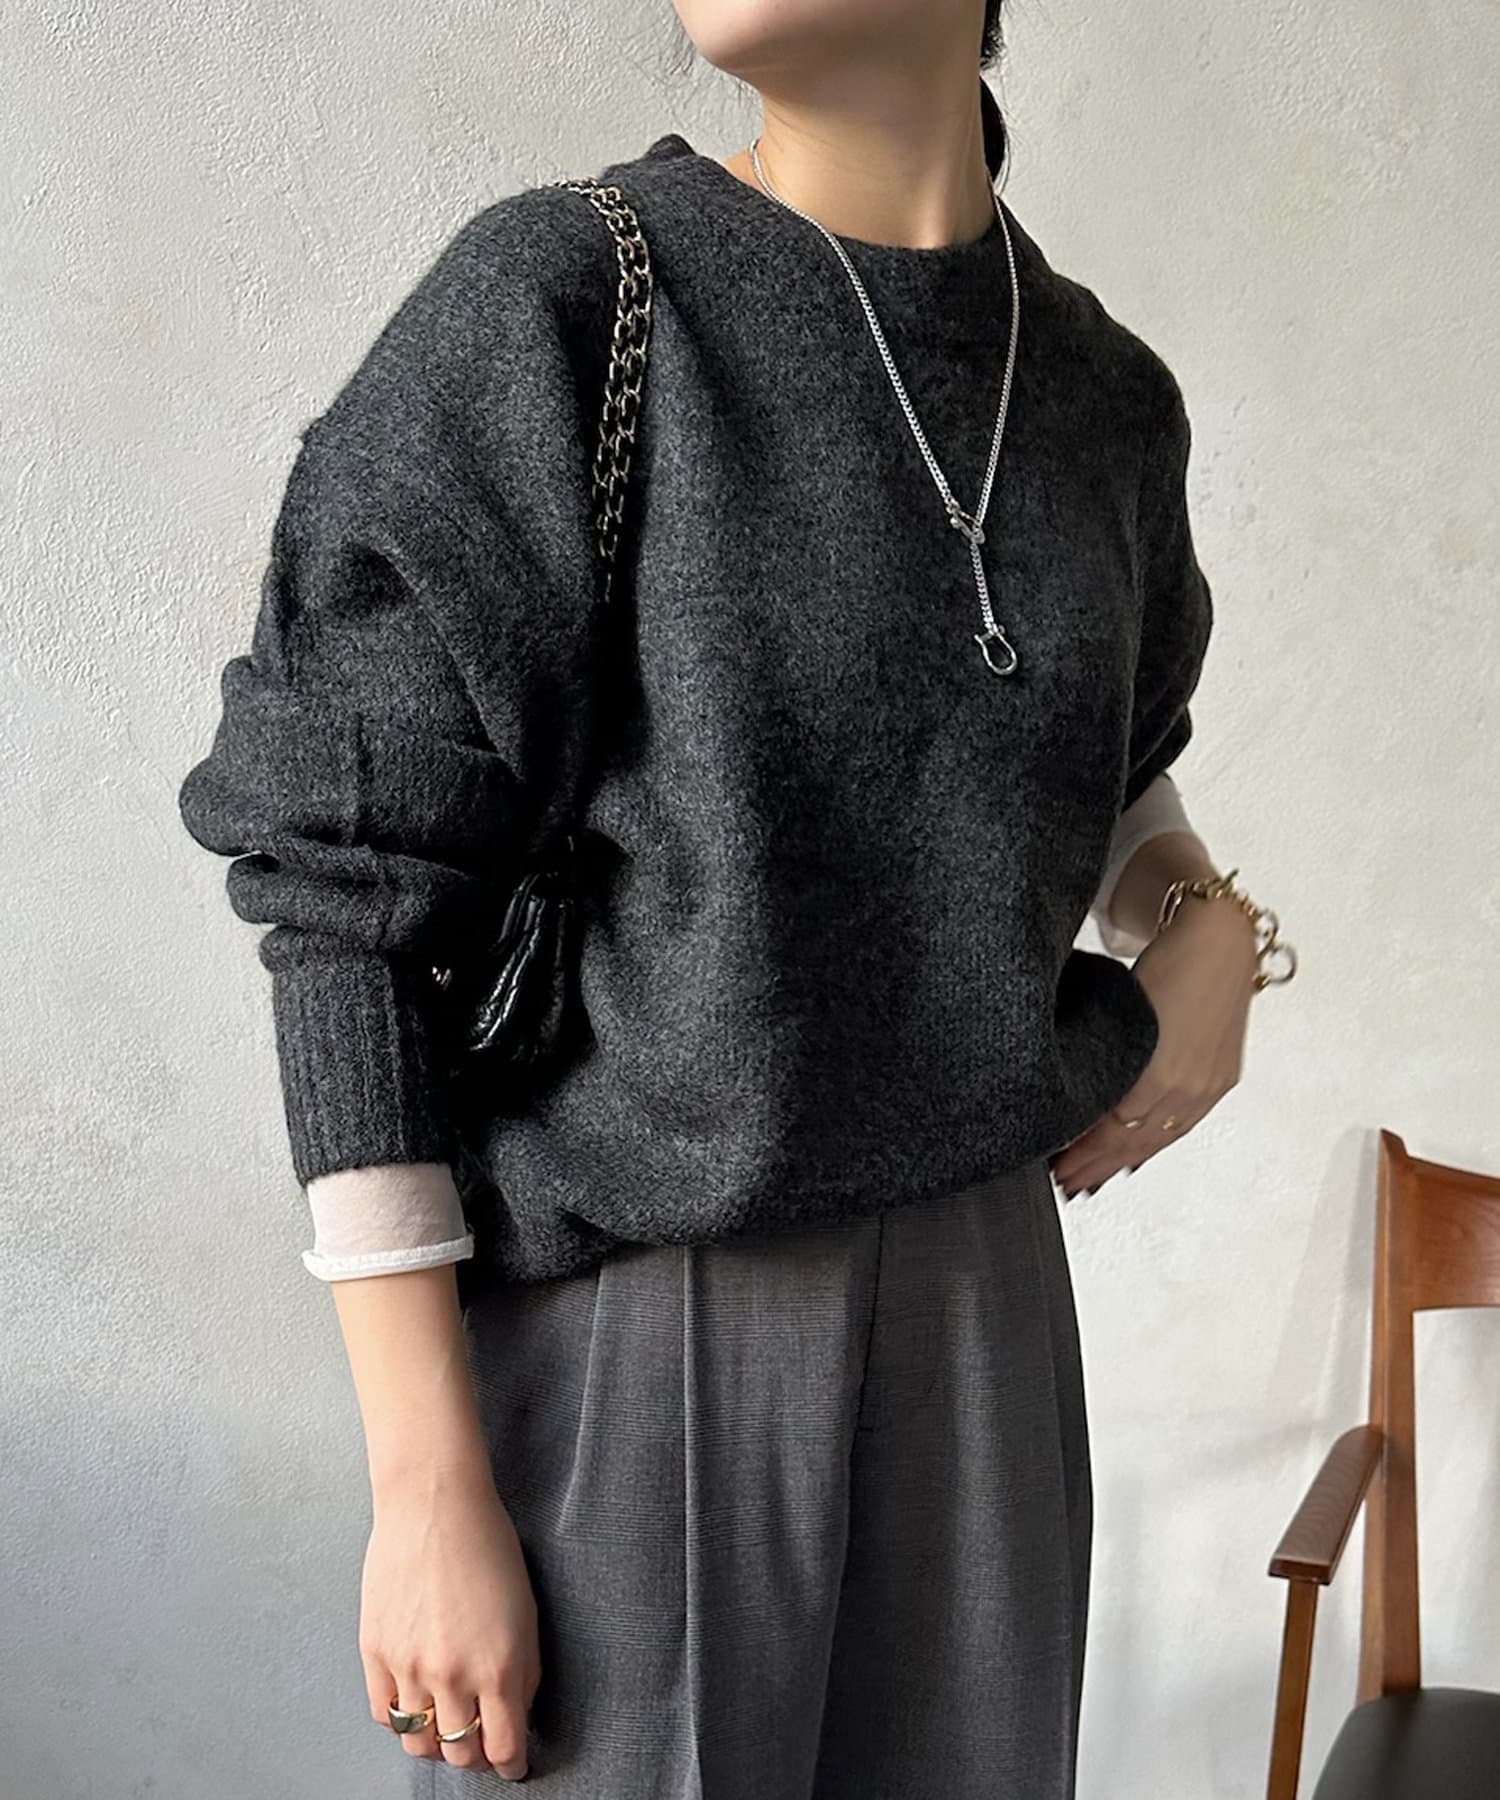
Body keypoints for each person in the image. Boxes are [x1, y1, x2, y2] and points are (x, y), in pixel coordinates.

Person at [177, 1, 1296, 1793]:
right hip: (651, 1325)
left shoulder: (1103, 398)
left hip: (988, 1315)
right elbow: (345, 885)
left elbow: (1088, 759)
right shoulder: (566, 302)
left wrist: (1203, 922)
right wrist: (426, 1484)